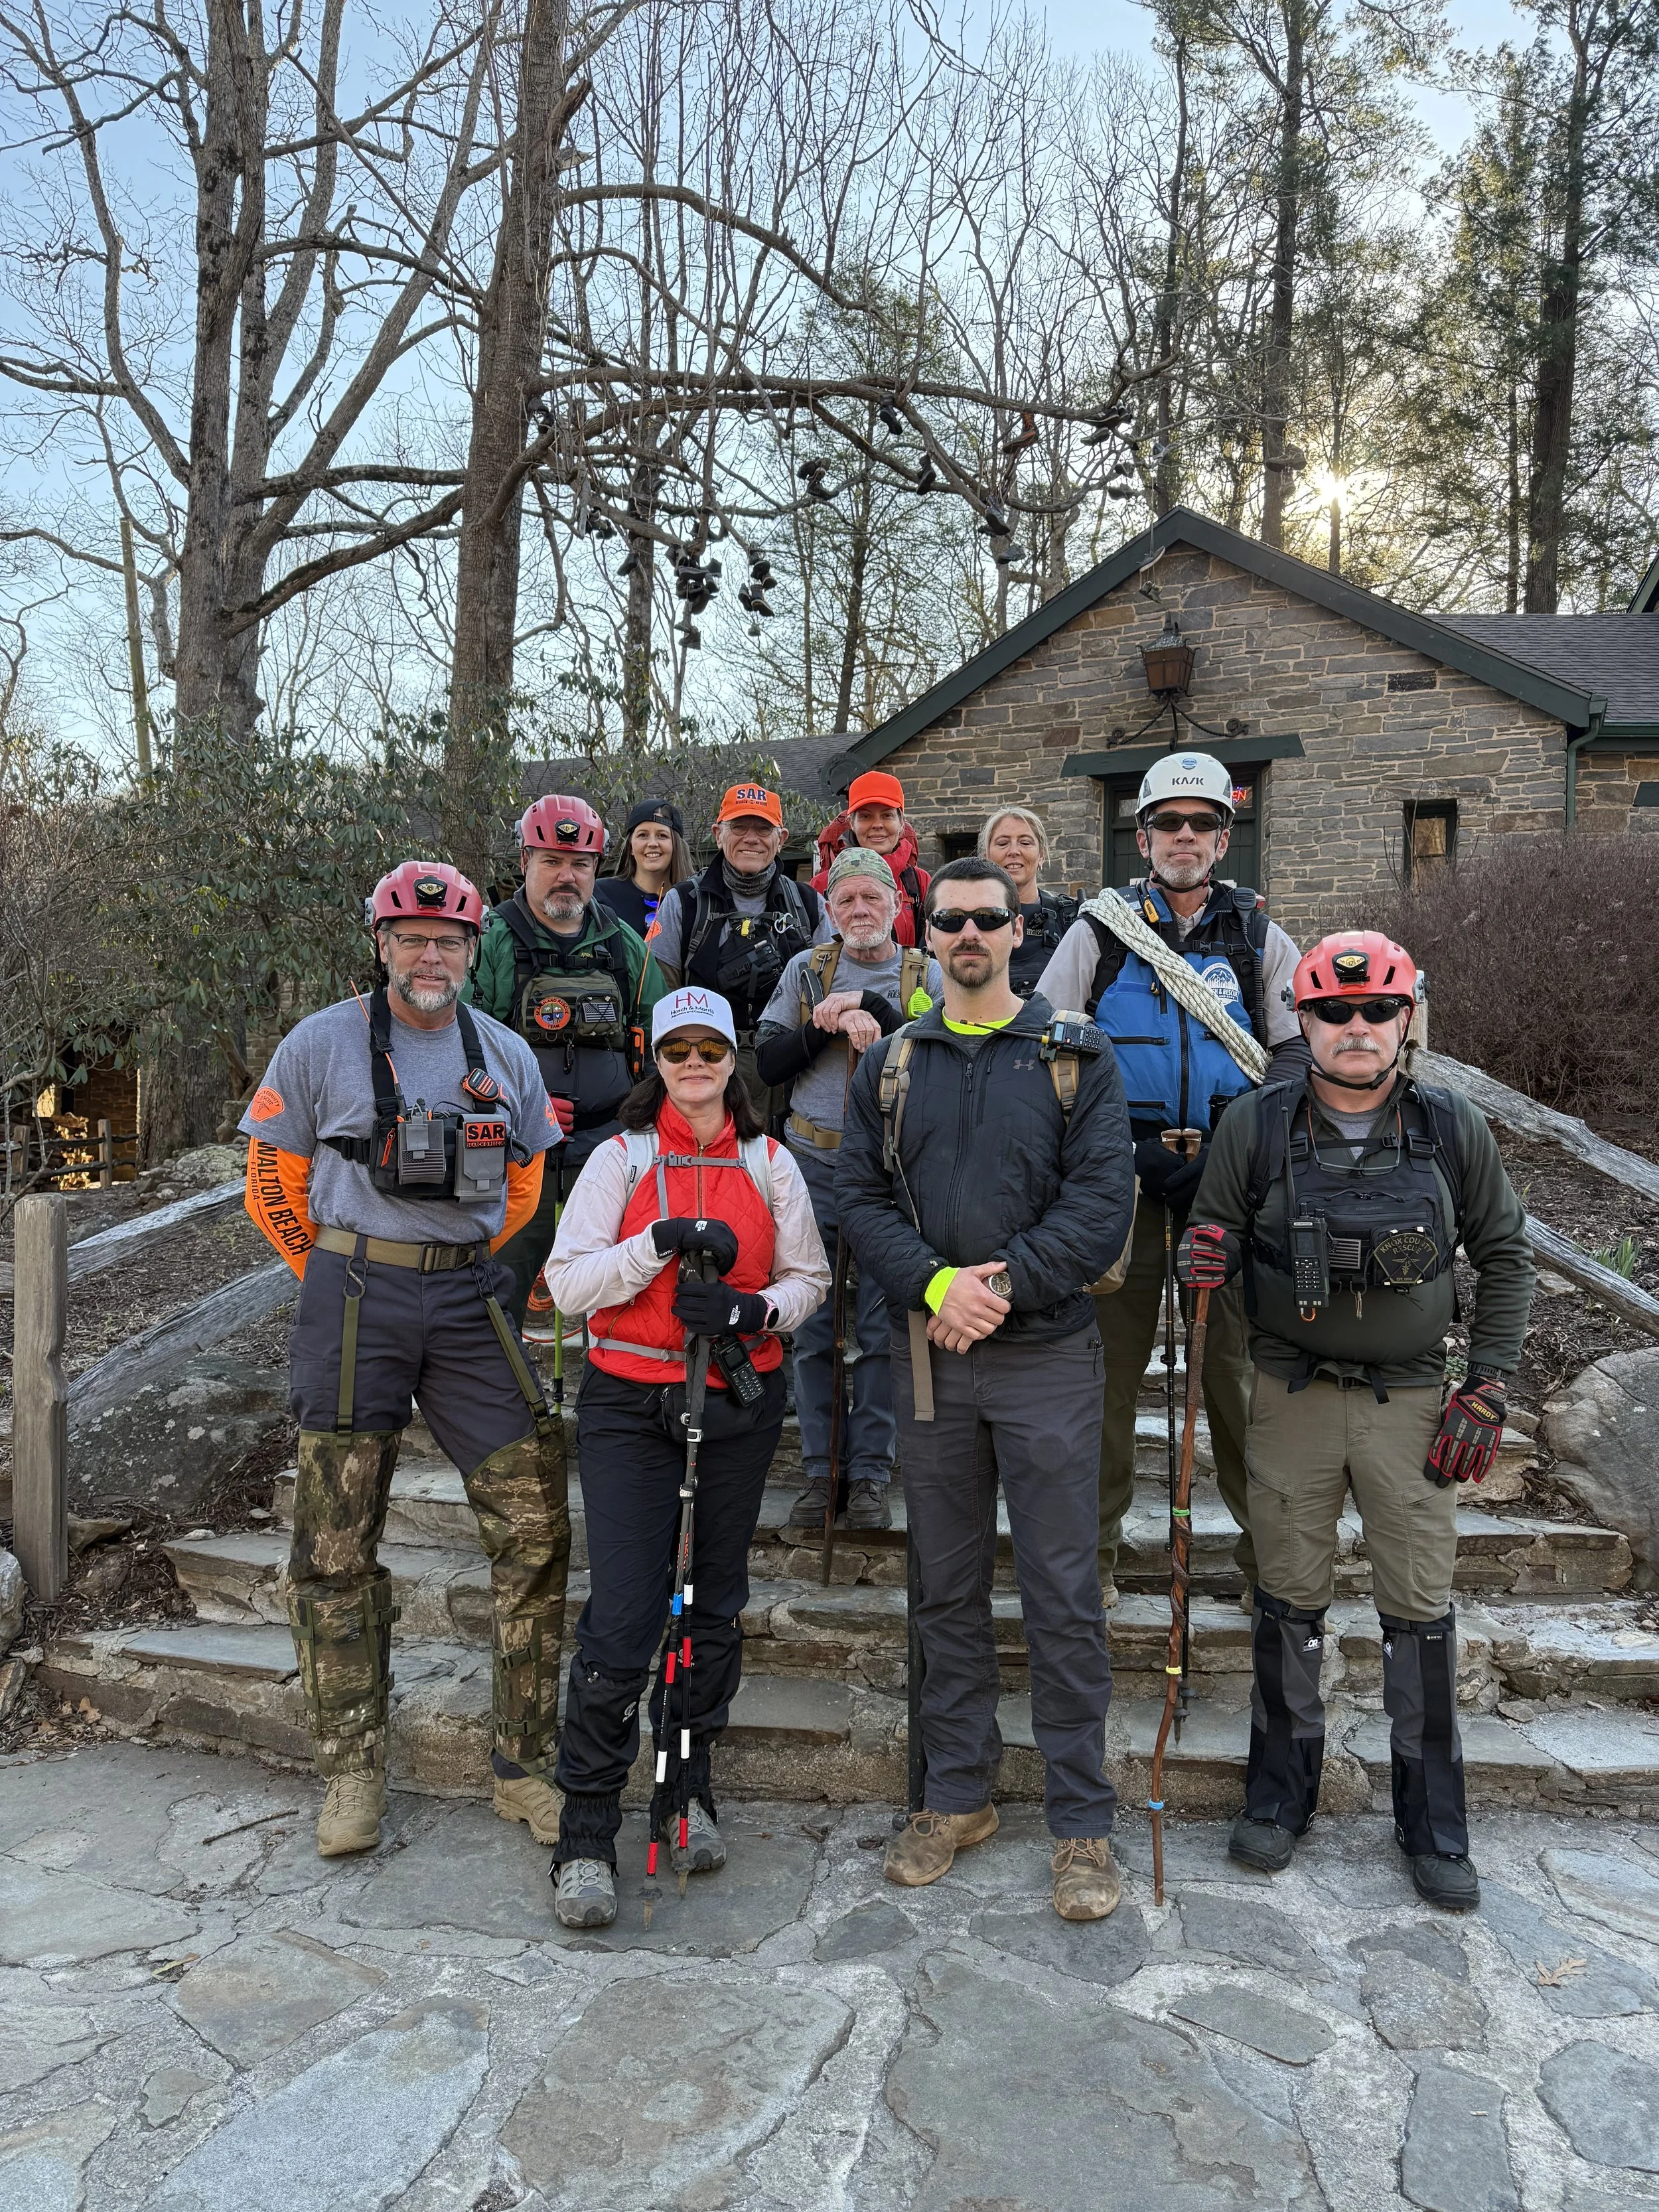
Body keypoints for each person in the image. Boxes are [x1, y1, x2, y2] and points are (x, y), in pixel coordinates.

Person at [1178, 930, 1536, 1910]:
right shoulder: (1253, 1126)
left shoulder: (1452, 1128)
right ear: (1303, 1020)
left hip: (1415, 1403)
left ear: (1406, 1020)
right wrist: (1199, 1266)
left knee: (1418, 1608)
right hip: (1289, 1394)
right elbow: (1207, 1243)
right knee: (1287, 1599)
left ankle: (1433, 1823)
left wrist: (1489, 1385)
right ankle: (1278, 1797)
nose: (1356, 1027)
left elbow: (1506, 1255)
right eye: (1333, 1012)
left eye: (1377, 1009)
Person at [241, 861, 570, 1860]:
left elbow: (525, 1182)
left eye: (450, 941)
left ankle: (525, 1765)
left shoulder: (505, 1053)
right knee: (335, 1545)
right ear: (381, 943)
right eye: (412, 938)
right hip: (352, 1297)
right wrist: (334, 1263)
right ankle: (350, 1768)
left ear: (475, 951)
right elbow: (268, 1174)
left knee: (534, 1522)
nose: (432, 955)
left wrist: (461, 1257)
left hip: (467, 1298)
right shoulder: (319, 1043)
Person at [837, 857, 1135, 1922]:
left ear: (1020, 931)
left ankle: (1082, 1820)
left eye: (989, 920)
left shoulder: (1073, 1056)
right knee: (944, 1586)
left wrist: (995, 1286)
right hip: (931, 1358)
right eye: (952, 919)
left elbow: (1105, 1202)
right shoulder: (895, 1062)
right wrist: (931, 1283)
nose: (970, 934)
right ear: (930, 936)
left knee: (1062, 1590)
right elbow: (856, 1197)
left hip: (1046, 1354)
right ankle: (956, 1794)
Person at [542, 986, 830, 1927]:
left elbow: (809, 1280)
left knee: (710, 1606)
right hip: (631, 1399)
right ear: (654, 1059)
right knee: (627, 1613)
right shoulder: (620, 1158)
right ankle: (586, 1828)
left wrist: (752, 1311)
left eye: (712, 1049)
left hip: (733, 1395)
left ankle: (683, 1788)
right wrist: (655, 1248)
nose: (696, 1065)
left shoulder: (769, 1160)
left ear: (731, 1059)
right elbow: (567, 1283)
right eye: (679, 1051)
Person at [1035, 751, 1307, 1607]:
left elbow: (1295, 1056)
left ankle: (1270, 1566)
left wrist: (1240, 1149)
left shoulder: (1261, 934)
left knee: (1230, 1374)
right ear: (1142, 836)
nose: (1183, 837)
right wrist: (1114, 1143)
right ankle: (1097, 1557)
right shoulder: (1100, 931)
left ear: (1224, 838)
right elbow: (1049, 1045)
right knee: (1106, 1375)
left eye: (1201, 824)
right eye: (1167, 823)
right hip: (1123, 1176)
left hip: (1226, 1186)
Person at [753, 848, 942, 1535]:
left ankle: (868, 1474)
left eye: (872, 898)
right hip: (812, 1167)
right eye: (845, 901)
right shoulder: (806, 971)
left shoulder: (929, 973)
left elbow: (950, 1054)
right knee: (812, 1328)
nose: (859, 911)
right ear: (828, 910)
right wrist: (822, 1022)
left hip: (896, 1175)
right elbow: (769, 1062)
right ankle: (817, 1471)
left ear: (896, 904)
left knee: (883, 1329)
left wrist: (874, 1008)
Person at [469, 794, 666, 1339]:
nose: (566, 875)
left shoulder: (626, 946)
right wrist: (519, 1104)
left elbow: (661, 1043)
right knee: (496, 1289)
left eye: (579, 864)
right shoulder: (492, 941)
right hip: (516, 1148)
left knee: (617, 1285)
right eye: (550, 860)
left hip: (606, 1143)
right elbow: (460, 1044)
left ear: (596, 868)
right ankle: (498, 1408)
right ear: (525, 862)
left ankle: (610, 1401)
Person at [648, 783, 830, 1117]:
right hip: (705, 1069)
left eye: (763, 828)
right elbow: (659, 1000)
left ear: (782, 838)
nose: (751, 838)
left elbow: (829, 996)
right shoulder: (683, 903)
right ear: (719, 834)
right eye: (739, 827)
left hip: (790, 1072)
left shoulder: (810, 906)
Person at [810, 770, 932, 947]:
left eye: (887, 815)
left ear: (901, 823)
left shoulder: (919, 883)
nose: (877, 825)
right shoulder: (822, 885)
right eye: (866, 816)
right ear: (852, 823)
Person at [979, 805, 1078, 999]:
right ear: (987, 856)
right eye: (1002, 843)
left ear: (1041, 855)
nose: (1014, 851)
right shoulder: (962, 919)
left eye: (1025, 842)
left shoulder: (1071, 918)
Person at [594, 798, 695, 938]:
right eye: (643, 835)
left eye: (662, 836)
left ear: (676, 845)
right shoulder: (600, 896)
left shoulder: (695, 901)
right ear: (630, 847)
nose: (652, 843)